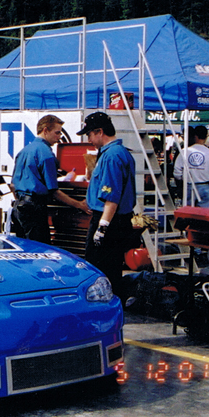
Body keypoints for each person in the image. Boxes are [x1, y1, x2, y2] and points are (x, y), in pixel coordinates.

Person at [77, 112, 137, 297]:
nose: (89, 139)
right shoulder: (120, 153)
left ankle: (105, 307)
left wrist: (102, 227)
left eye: (90, 135)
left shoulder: (111, 156)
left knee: (100, 268)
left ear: (99, 131)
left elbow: (112, 197)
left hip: (109, 220)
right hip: (118, 220)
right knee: (112, 268)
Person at [10, 114, 89, 243]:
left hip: (18, 208)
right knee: (40, 249)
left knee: (24, 250)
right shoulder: (46, 154)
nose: (59, 138)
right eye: (57, 133)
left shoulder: (24, 151)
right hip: (34, 208)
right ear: (45, 130)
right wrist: (79, 205)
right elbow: (54, 191)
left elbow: (13, 185)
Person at [173, 125, 209, 208]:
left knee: (188, 215)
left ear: (195, 136)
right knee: (203, 216)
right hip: (205, 186)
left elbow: (177, 173)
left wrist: (183, 181)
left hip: (188, 185)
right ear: (206, 137)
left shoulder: (184, 151)